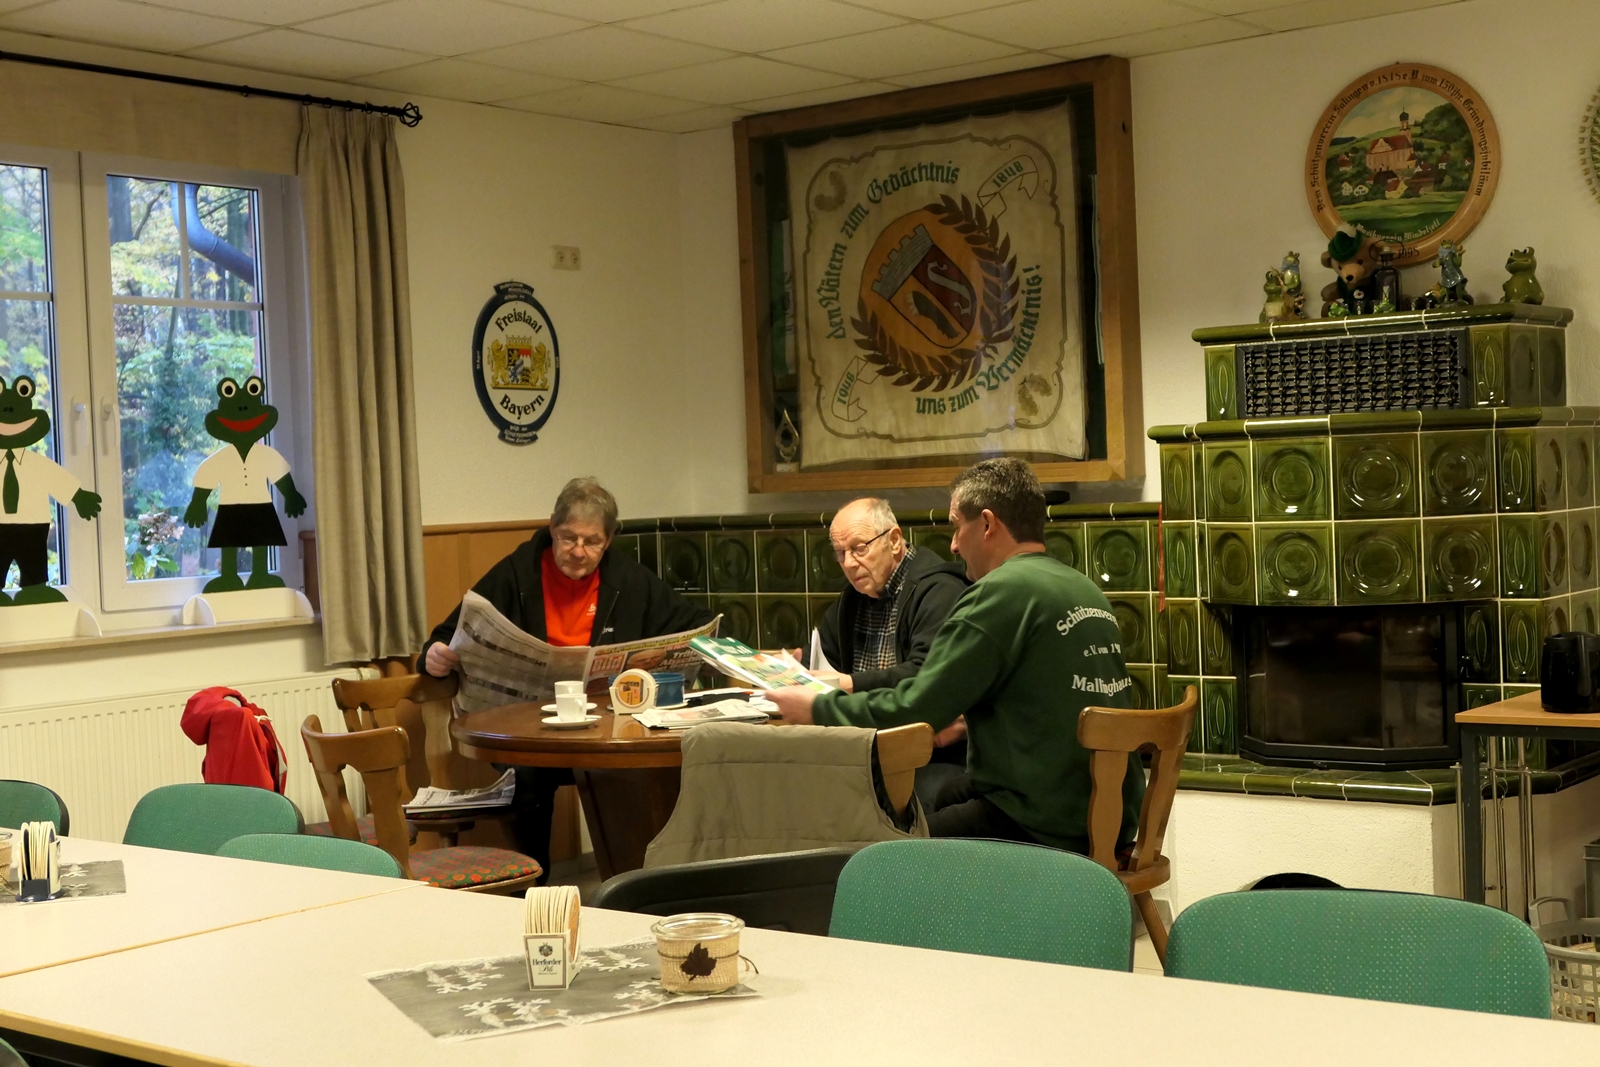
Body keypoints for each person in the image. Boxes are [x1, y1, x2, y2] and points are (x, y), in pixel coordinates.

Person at [768, 458, 1145, 852]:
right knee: (948, 796)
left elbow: (918, 706)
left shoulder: (999, 594)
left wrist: (818, 709)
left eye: (956, 526)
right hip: (1110, 816)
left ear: (987, 524)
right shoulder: (1083, 588)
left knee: (874, 853)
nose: (952, 545)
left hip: (1043, 823)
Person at [421, 477, 714, 880]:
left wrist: (719, 652)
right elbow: (448, 633)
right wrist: (434, 655)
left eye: (591, 542)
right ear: (552, 528)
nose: (578, 551)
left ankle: (632, 882)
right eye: (568, 538)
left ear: (608, 540)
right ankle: (535, 886)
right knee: (526, 777)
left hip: (605, 730)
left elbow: (695, 623)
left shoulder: (628, 579)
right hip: (533, 733)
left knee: (637, 771)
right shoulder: (518, 573)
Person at [815, 497, 969, 806]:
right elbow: (819, 653)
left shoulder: (939, 589)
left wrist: (850, 684)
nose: (848, 563)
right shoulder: (853, 599)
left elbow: (925, 674)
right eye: (840, 553)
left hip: (935, 754)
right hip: (870, 749)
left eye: (859, 548)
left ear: (895, 540)